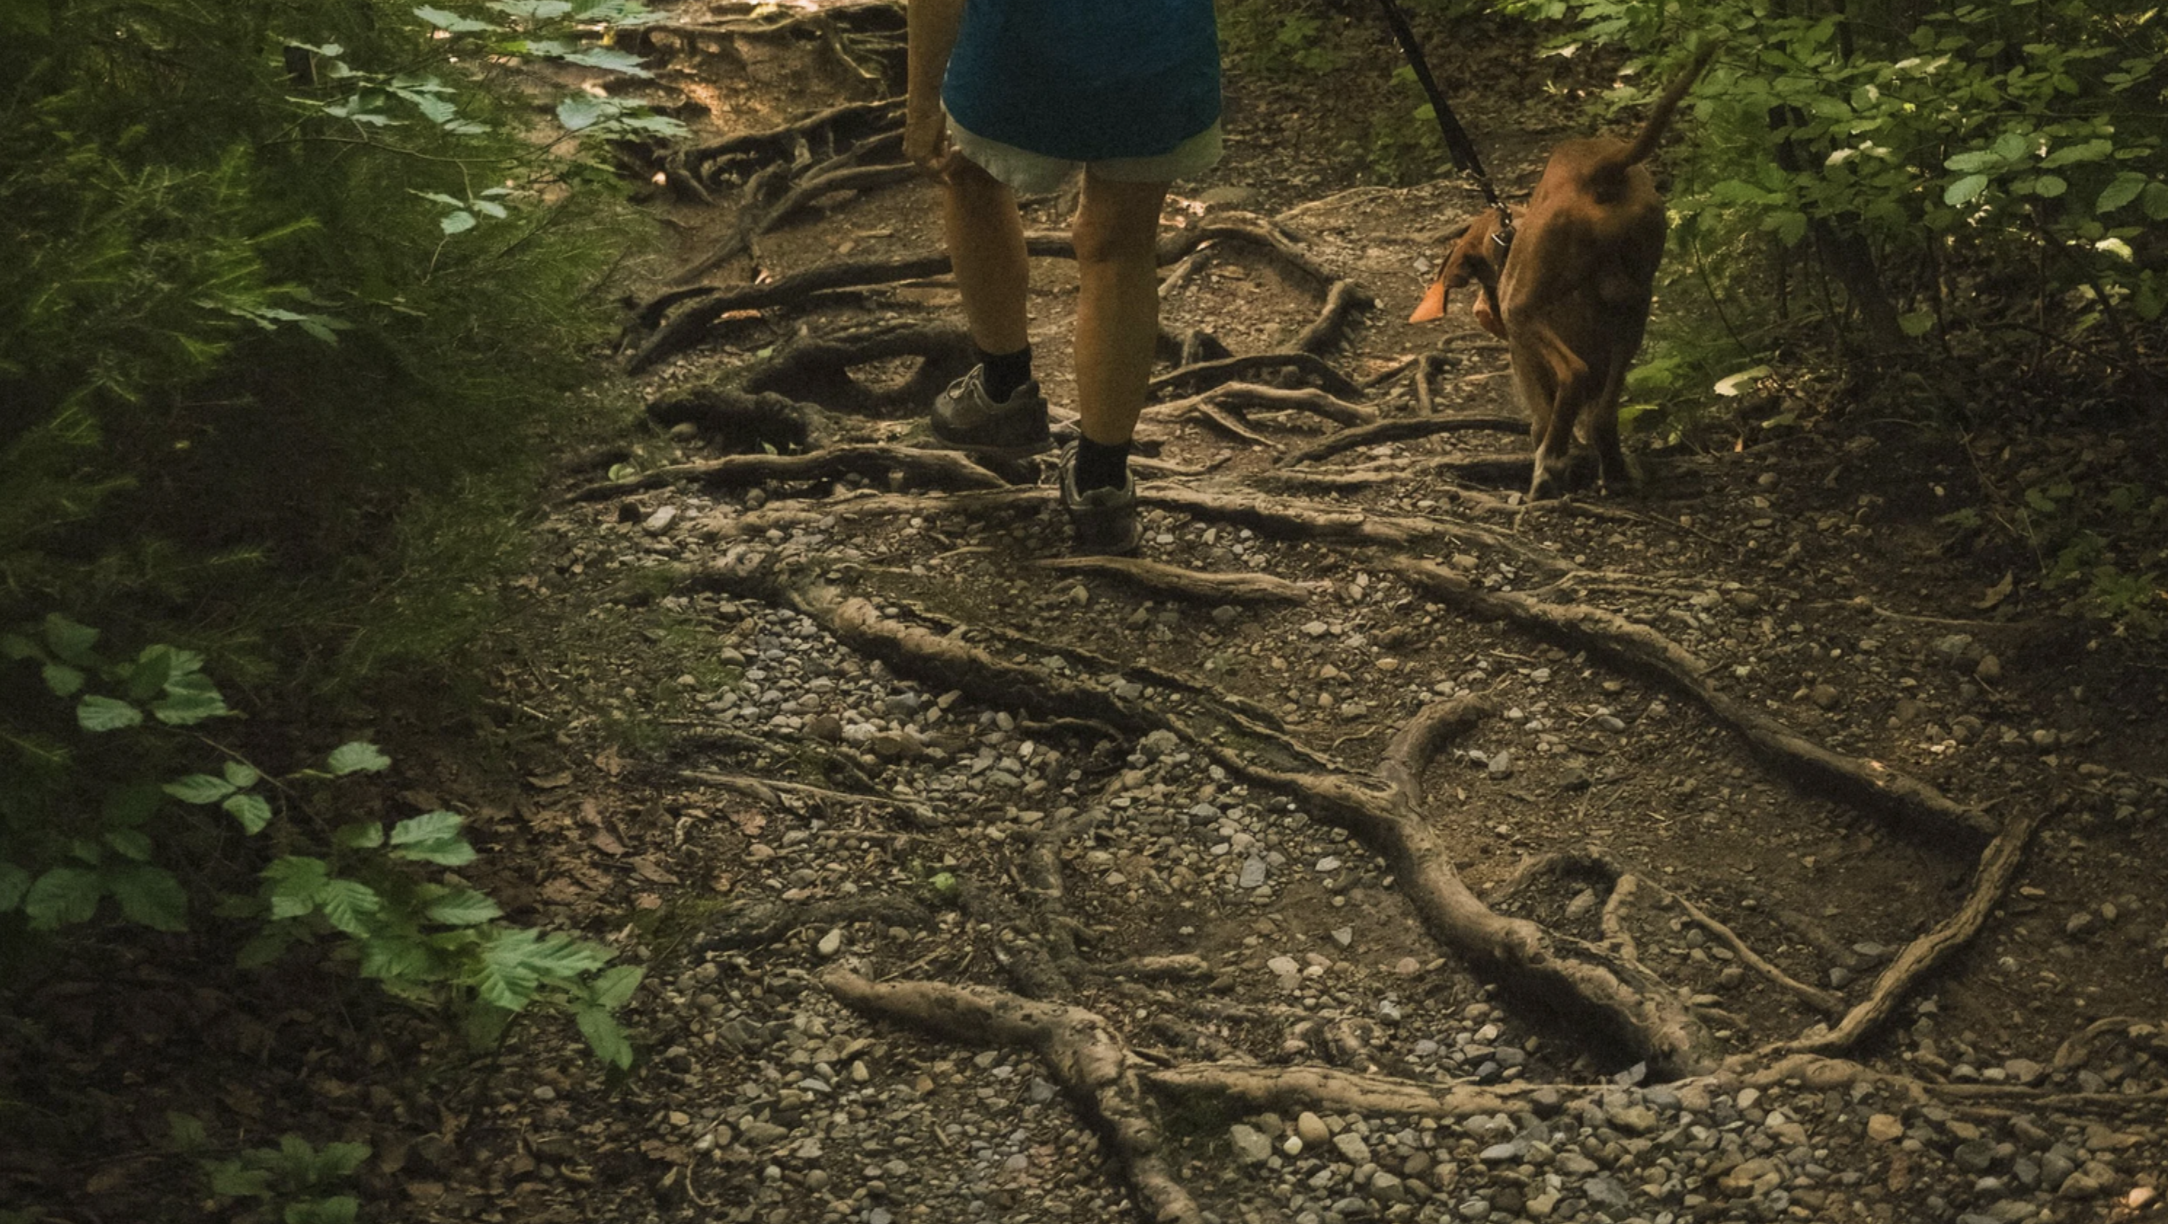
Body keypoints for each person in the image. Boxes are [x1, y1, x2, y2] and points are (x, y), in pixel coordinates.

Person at [904, 0, 1223, 555]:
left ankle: (1003, 391)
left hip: (1015, 48)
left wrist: (920, 99)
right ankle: (1101, 485)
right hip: (1158, 46)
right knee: (1121, 245)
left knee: (971, 178)